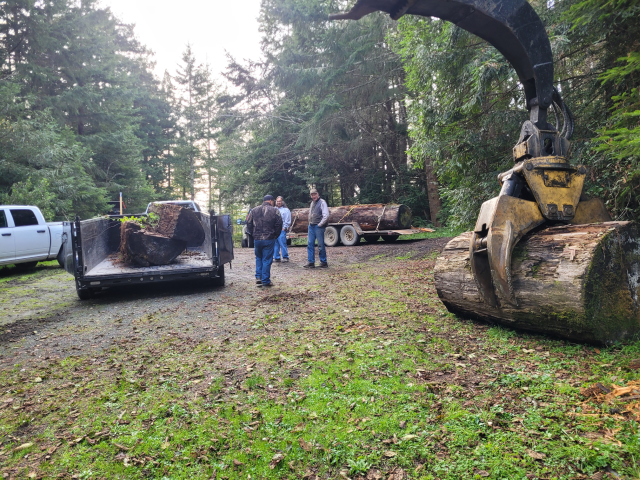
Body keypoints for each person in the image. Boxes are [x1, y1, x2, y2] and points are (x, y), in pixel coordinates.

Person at [245, 195, 283, 287]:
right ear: (270, 201)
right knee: (267, 259)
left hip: (257, 239)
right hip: (269, 238)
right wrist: (275, 235)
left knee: (258, 258)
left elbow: (248, 223)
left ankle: (258, 278)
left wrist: (253, 234)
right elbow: (279, 223)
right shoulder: (275, 210)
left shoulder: (253, 210)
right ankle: (265, 280)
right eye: (273, 201)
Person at [304, 188, 329, 268]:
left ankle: (323, 262)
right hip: (311, 226)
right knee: (310, 244)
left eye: (314, 194)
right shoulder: (312, 203)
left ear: (318, 194)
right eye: (312, 195)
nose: (313, 196)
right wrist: (309, 222)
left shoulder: (322, 202)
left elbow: (326, 216)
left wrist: (320, 224)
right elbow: (310, 213)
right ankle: (311, 262)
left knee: (320, 245)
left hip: (318, 227)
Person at [273, 196, 291, 263]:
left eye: (280, 201)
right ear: (276, 202)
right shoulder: (273, 209)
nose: (278, 202)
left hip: (281, 230)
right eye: (277, 201)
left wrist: (284, 228)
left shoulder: (286, 210)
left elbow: (288, 220)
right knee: (275, 244)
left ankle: (285, 257)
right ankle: (276, 257)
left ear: (282, 202)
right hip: (275, 230)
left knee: (282, 243)